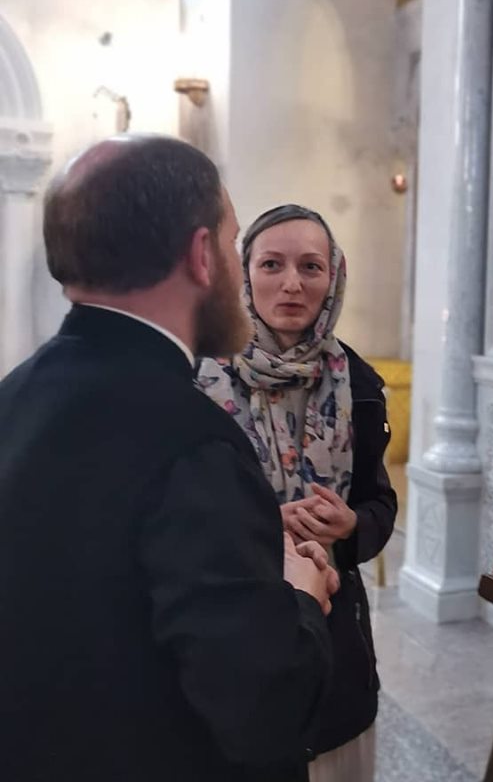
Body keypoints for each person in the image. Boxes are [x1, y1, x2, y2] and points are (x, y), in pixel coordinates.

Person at [0, 136, 338, 782]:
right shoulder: (193, 442)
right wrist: (299, 591)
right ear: (202, 255)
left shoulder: (14, 395)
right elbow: (264, 709)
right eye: (236, 246)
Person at [198, 204, 396, 782]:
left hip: (335, 638)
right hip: (231, 632)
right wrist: (262, 523)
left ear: (333, 277)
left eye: (311, 266)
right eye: (271, 264)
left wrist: (352, 525)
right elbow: (172, 517)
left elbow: (379, 503)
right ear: (242, 273)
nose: (292, 283)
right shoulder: (197, 380)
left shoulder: (358, 382)